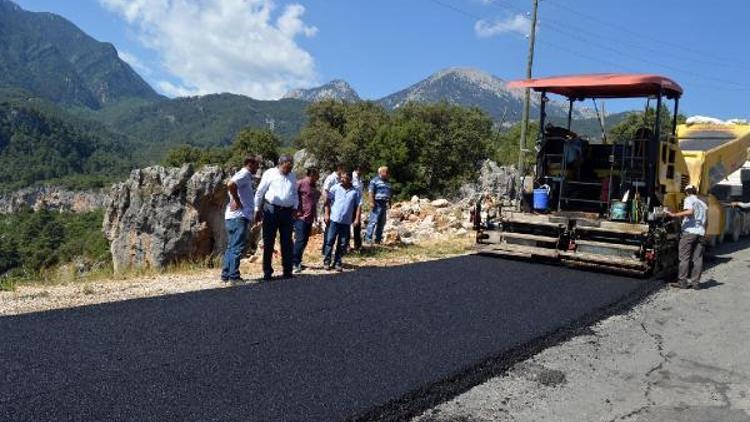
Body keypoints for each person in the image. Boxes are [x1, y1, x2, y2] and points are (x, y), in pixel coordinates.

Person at [254, 155, 298, 280]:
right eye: (287, 167)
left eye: (290, 168)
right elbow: (260, 192)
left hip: (287, 212)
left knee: (287, 242)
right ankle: (267, 272)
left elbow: (295, 193)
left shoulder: (292, 175)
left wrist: (295, 207)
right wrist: (257, 210)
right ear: (281, 164)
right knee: (269, 242)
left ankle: (287, 271)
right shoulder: (270, 173)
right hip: (271, 210)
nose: (288, 170)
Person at [221, 156, 260, 282]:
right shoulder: (243, 174)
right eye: (256, 165)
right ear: (250, 164)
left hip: (232, 217)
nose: (258, 168)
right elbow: (230, 184)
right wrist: (237, 200)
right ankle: (234, 277)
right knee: (237, 247)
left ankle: (226, 275)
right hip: (239, 217)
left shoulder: (243, 175)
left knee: (231, 246)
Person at [666, 184, 708, 289]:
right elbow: (706, 221)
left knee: (684, 258)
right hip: (701, 233)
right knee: (698, 259)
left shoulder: (689, 199)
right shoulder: (703, 204)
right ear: (695, 191)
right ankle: (695, 283)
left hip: (689, 233)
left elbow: (690, 211)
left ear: (687, 192)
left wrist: (674, 215)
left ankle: (682, 282)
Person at [323, 171, 362, 271]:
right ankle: (327, 261)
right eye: (341, 177)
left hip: (346, 222)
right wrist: (326, 214)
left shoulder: (355, 191)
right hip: (334, 219)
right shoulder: (335, 188)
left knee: (343, 243)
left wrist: (357, 218)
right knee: (330, 241)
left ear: (350, 179)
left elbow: (358, 205)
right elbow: (327, 201)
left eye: (344, 178)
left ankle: (338, 262)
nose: (342, 179)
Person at [292, 167, 321, 273]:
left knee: (304, 240)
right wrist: (296, 211)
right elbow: (293, 195)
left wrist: (316, 217)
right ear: (312, 174)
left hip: (310, 218)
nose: (318, 177)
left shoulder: (314, 185)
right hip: (300, 217)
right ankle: (294, 263)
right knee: (300, 239)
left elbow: (313, 202)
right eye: (317, 174)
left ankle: (297, 260)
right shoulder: (301, 183)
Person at [364, 166, 392, 244]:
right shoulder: (374, 181)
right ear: (381, 172)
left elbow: (389, 193)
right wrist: (371, 202)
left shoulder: (387, 182)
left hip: (384, 204)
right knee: (373, 221)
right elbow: (370, 192)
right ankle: (368, 238)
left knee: (381, 223)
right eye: (386, 172)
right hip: (377, 203)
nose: (387, 173)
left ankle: (378, 239)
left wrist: (389, 202)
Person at [321, 164, 344, 254]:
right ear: (339, 168)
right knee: (329, 229)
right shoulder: (331, 178)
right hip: (330, 207)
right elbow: (325, 192)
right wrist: (327, 208)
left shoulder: (340, 179)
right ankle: (325, 250)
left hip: (337, 208)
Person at [350, 164, 365, 250]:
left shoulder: (361, 178)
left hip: (358, 203)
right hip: (351, 203)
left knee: (357, 223)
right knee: (348, 224)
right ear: (357, 169)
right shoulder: (351, 176)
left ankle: (357, 245)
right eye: (361, 169)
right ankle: (347, 245)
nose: (362, 171)